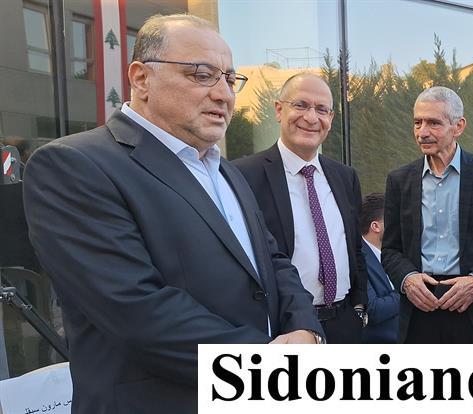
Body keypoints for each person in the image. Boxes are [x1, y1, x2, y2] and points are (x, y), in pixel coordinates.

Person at [22, 14, 322, 414]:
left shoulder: (226, 171)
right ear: (141, 78)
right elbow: (136, 309)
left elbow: (273, 262)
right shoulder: (73, 165)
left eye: (230, 79)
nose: (224, 95)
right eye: (202, 75)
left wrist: (306, 331)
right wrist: (270, 364)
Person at [234, 73, 368, 344]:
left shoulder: (345, 177)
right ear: (279, 110)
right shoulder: (243, 176)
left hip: (345, 323)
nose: (311, 117)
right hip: (286, 329)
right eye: (301, 105)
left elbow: (354, 247)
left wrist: (359, 306)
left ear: (331, 118)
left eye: (321, 109)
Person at [382, 86, 473, 344]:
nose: (422, 132)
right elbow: (391, 250)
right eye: (417, 122)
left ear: (458, 126)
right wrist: (407, 279)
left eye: (433, 123)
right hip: (419, 311)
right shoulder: (399, 180)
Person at [357, 192, 400, 343]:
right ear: (376, 226)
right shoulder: (357, 259)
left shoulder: (399, 253)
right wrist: (409, 290)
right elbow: (373, 310)